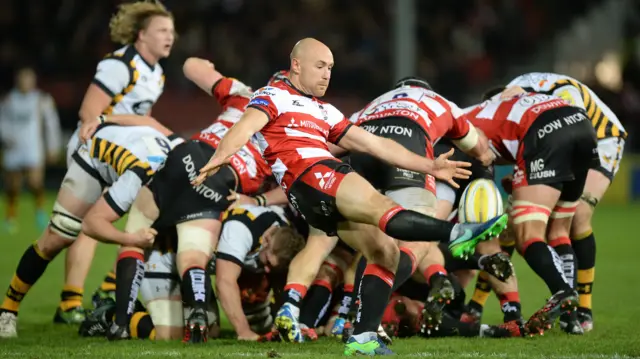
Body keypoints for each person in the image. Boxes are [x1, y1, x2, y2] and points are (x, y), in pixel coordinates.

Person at [193, 38, 508, 355]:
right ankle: (458, 232)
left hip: (310, 196)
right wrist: (218, 158)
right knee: (381, 207)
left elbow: (375, 145)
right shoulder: (273, 95)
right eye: (320, 66)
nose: (326, 74)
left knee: (385, 252)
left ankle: (362, 336)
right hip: (312, 172)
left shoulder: (326, 111)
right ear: (297, 65)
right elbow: (244, 128)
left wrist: (429, 165)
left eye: (330, 68)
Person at [0, 115, 177, 338]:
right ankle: (8, 309)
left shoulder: (183, 152)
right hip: (95, 155)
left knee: (157, 235)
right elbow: (92, 224)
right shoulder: (138, 176)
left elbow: (151, 122)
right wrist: (130, 239)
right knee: (58, 236)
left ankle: (115, 302)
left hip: (128, 152)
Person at [58, 0, 175, 325]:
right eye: (162, 31)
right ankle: (70, 302)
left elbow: (140, 117)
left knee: (147, 215)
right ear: (141, 36)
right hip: (95, 151)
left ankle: (108, 289)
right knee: (80, 228)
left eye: (172, 31)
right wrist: (148, 127)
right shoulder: (120, 64)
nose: (170, 37)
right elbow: (90, 112)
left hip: (126, 153)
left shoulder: (157, 74)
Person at [464, 89, 600, 336]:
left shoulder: (469, 117)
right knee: (559, 231)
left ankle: (563, 292)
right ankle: (571, 318)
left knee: (527, 233)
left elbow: (480, 158)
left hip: (544, 133)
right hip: (581, 124)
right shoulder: (522, 100)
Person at [505, 72, 627, 332]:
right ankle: (565, 305)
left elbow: (575, 134)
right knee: (527, 216)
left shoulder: (564, 94)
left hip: (600, 138)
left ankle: (583, 308)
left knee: (577, 215)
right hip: (558, 140)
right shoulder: (515, 93)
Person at [214, 204, 306, 340]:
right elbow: (224, 282)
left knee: (263, 329)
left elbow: (284, 284)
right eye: (268, 262)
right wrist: (244, 332)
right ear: (267, 239)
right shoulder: (241, 229)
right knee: (207, 331)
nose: (267, 269)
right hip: (195, 261)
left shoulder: (285, 236)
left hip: (242, 267)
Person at [0, 67, 61, 233]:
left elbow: (51, 124)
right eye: (22, 79)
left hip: (33, 147)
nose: (25, 82)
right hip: (13, 148)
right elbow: (2, 121)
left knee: (35, 183)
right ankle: (10, 217)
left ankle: (40, 213)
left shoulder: (41, 99)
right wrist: (5, 137)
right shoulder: (9, 99)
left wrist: (52, 146)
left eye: (28, 79)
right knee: (12, 186)